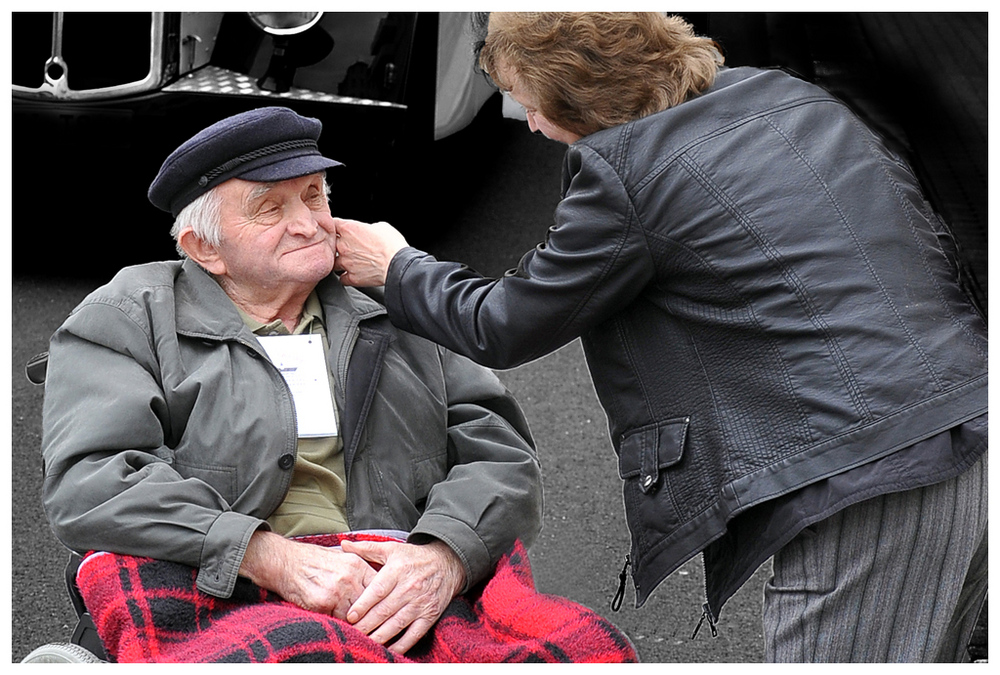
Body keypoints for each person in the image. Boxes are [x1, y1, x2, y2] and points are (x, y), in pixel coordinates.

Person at [332, 12, 988, 663]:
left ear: (575, 90)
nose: (528, 121)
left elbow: (503, 321)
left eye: (529, 101)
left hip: (869, 474)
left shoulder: (626, 172)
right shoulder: (786, 94)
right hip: (968, 414)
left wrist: (397, 266)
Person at [39, 106, 543, 656]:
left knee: (584, 650)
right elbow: (91, 479)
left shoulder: (394, 305)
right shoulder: (129, 317)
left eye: (313, 196)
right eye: (269, 209)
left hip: (390, 585)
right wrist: (270, 557)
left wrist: (444, 554)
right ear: (205, 248)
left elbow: (503, 456)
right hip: (220, 584)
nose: (307, 224)